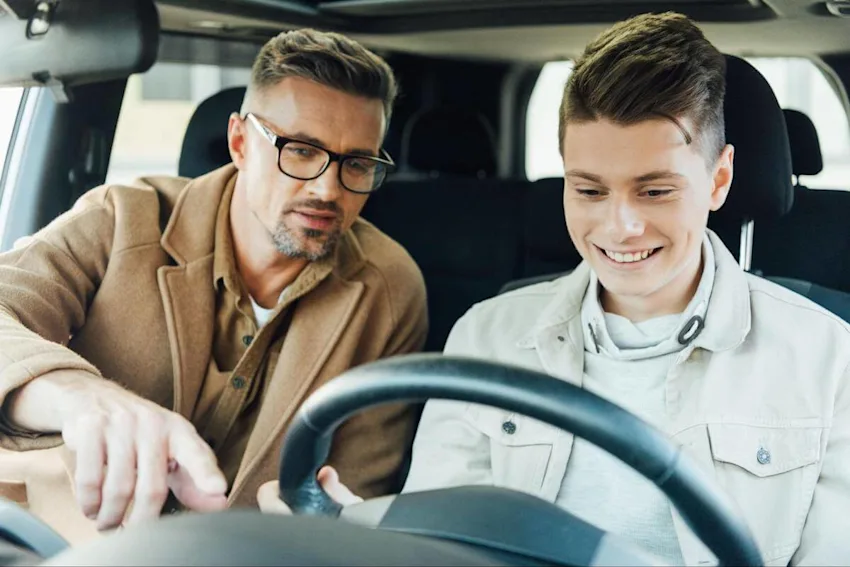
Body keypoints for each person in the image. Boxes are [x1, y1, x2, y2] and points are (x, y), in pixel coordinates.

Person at [259, 12, 850, 566]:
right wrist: (353, 534)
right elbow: (444, 544)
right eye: (589, 191)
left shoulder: (828, 360)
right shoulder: (487, 337)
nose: (620, 227)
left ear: (719, 179)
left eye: (655, 191)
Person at [0, 28, 428, 539]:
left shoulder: (389, 288)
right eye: (301, 150)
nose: (327, 188)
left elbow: (358, 495)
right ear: (240, 142)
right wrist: (79, 396)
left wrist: (319, 525)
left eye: (356, 163)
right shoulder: (122, 219)